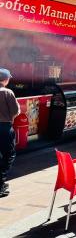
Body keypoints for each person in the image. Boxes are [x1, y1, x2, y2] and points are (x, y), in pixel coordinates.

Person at [0, 68, 20, 198]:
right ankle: (0, 183)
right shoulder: (7, 92)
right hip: (4, 128)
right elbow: (16, 111)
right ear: (5, 80)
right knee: (9, 154)